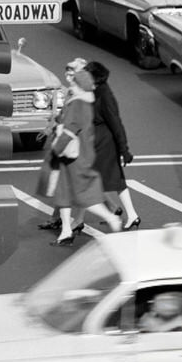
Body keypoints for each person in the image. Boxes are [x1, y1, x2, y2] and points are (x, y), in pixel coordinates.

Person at [37, 68, 122, 246]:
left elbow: (70, 128)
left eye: (74, 83)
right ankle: (66, 231)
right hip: (78, 154)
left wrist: (56, 149)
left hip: (73, 156)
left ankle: (110, 217)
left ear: (80, 86)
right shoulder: (85, 103)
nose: (71, 85)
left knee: (81, 194)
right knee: (64, 193)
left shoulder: (77, 104)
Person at [89, 62, 139, 231]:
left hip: (104, 143)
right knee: (114, 180)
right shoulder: (97, 91)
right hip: (100, 141)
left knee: (99, 179)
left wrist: (124, 149)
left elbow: (115, 121)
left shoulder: (104, 95)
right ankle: (126, 214)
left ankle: (119, 214)